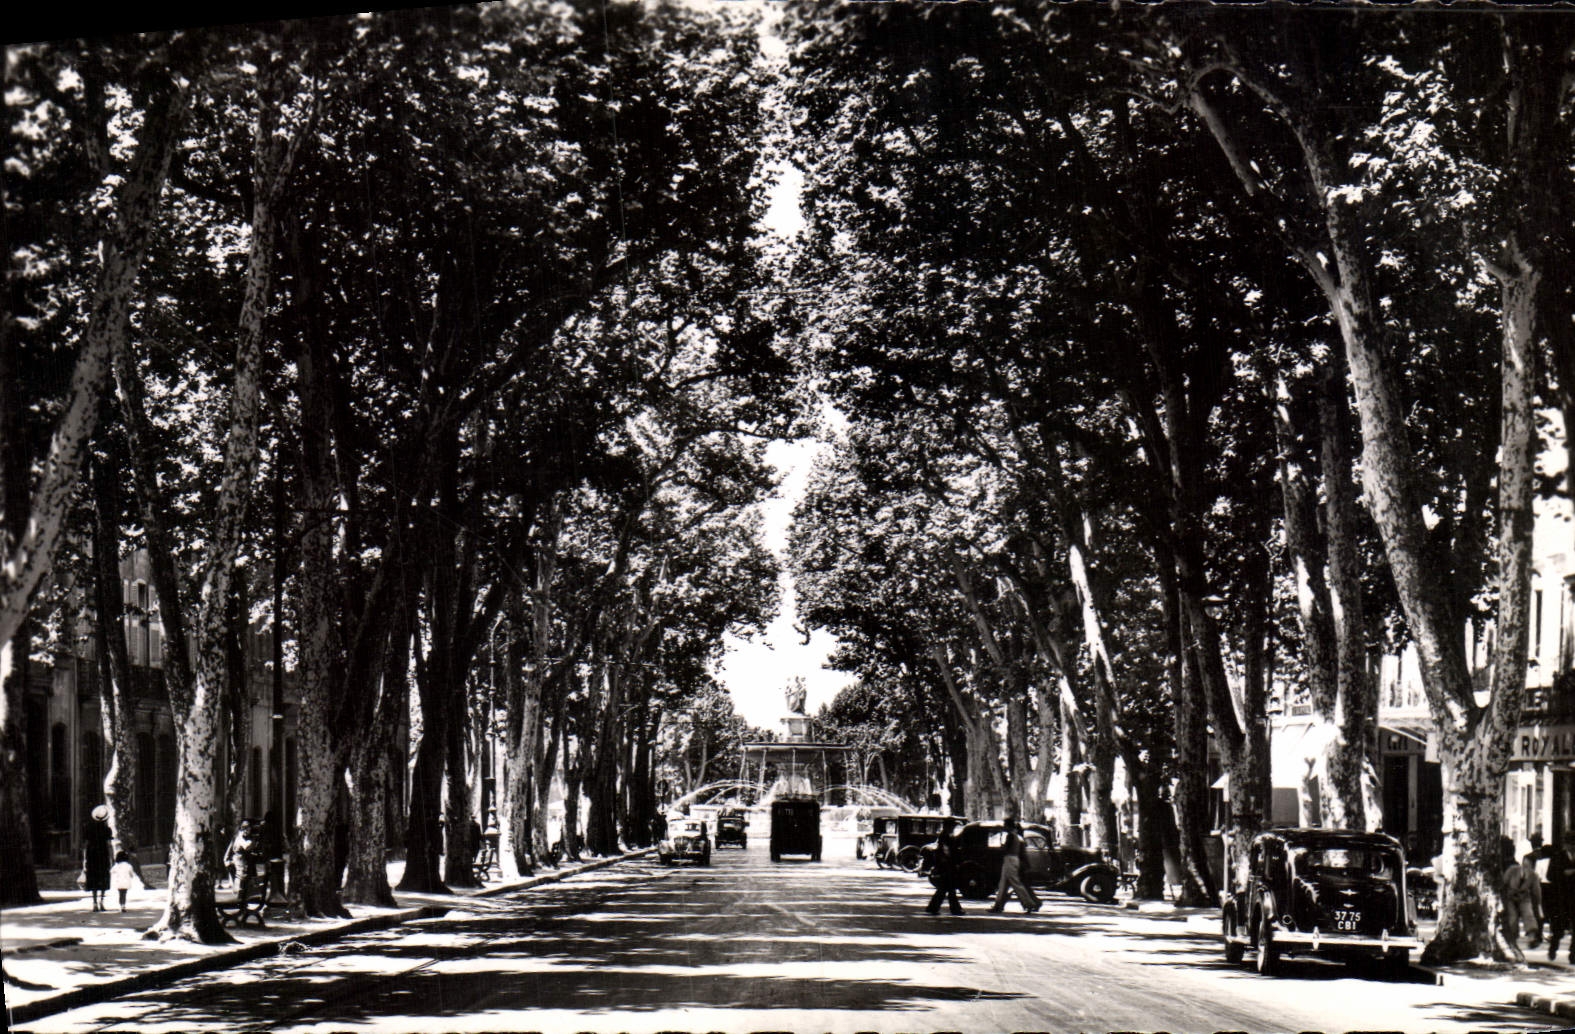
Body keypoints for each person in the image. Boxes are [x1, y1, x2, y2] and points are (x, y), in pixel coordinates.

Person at [989, 817, 1041, 914]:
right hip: (1013, 859)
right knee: (1003, 884)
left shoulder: (1010, 836)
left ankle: (1029, 903)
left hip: (1010, 859)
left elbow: (1006, 849)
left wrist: (1001, 846)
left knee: (1015, 883)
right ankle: (998, 905)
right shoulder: (1016, 836)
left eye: (1005, 825)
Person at [1502, 851, 1543, 949]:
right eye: (1524, 864)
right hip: (1510, 897)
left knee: (1528, 914)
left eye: (1528, 865)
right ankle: (1512, 940)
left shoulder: (1533, 876)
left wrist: (1539, 905)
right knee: (1513, 917)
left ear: (1532, 866)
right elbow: (1503, 883)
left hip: (1524, 898)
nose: (1525, 867)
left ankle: (1532, 938)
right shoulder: (1512, 870)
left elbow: (1537, 892)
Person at [1545, 831, 1575, 963]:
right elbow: (1549, 876)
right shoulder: (1557, 857)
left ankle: (1573, 954)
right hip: (1561, 898)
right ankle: (1553, 946)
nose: (1572, 847)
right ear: (1566, 844)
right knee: (1559, 928)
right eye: (1570, 844)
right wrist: (1563, 874)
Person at [925, 819, 964, 916]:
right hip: (947, 865)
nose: (953, 828)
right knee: (949, 888)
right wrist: (951, 863)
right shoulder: (945, 836)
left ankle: (933, 907)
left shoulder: (945, 835)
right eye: (953, 826)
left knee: (945, 888)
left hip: (946, 865)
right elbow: (946, 851)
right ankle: (954, 909)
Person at [83, 804, 113, 912]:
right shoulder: (107, 830)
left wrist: (84, 859)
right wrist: (112, 858)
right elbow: (109, 845)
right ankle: (102, 902)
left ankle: (94, 902)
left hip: (92, 855)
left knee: (93, 879)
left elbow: (86, 845)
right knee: (103, 879)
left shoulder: (88, 828)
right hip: (103, 855)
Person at [224, 819, 255, 886]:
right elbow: (229, 851)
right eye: (243, 828)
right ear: (241, 829)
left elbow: (248, 847)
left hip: (247, 867)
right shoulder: (237, 838)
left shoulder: (250, 839)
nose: (245, 830)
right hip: (238, 866)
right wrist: (227, 861)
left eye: (247, 828)